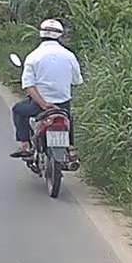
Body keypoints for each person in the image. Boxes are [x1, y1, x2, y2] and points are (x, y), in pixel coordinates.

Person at [10, 18, 82, 164]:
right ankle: (70, 146)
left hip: (39, 106)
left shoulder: (33, 56)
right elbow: (76, 81)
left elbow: (29, 86)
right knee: (67, 117)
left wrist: (43, 104)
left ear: (41, 34)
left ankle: (25, 145)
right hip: (62, 104)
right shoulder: (69, 56)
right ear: (60, 34)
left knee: (18, 110)